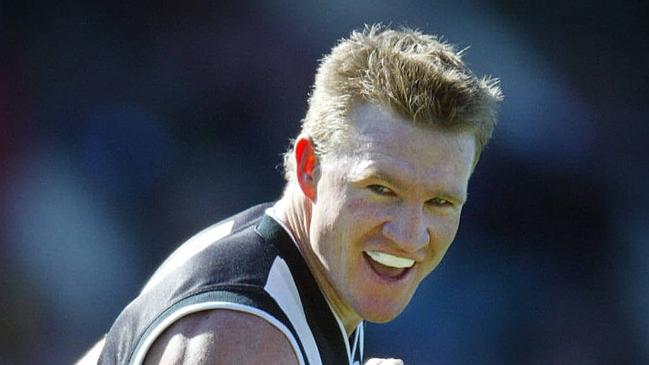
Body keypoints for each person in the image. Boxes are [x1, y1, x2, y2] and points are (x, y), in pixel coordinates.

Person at [76, 24, 502, 365]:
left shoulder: (273, 265)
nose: (410, 236)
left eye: (440, 203)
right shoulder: (246, 336)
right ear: (309, 167)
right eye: (381, 189)